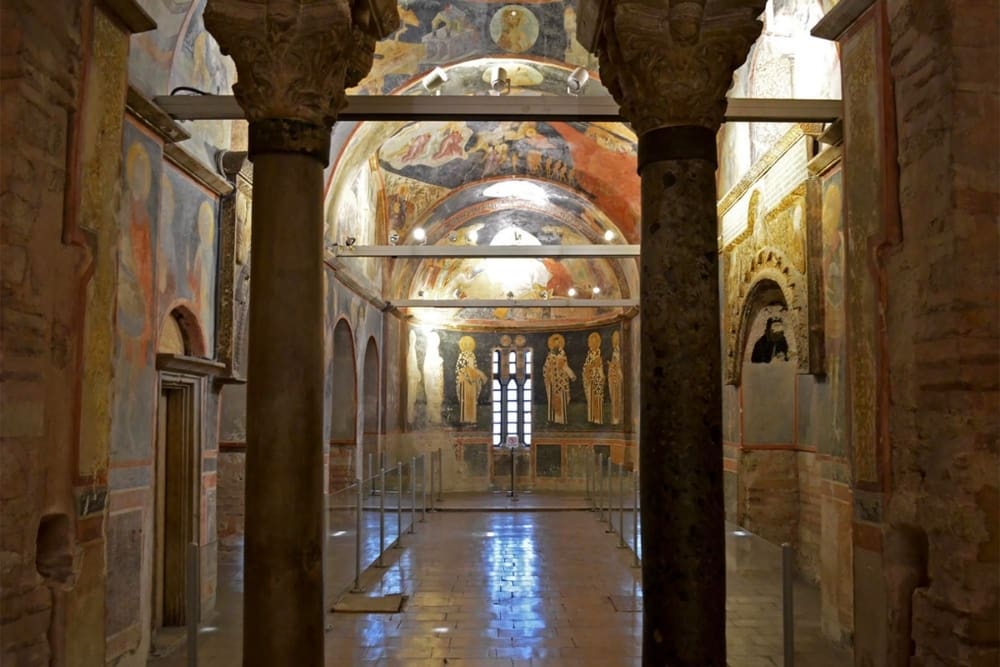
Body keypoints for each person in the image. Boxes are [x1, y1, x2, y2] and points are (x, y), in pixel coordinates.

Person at [543, 333, 575, 424]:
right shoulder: (550, 356)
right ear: (552, 344)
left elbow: (565, 366)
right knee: (553, 399)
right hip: (552, 382)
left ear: (560, 344)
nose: (556, 345)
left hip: (561, 382)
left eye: (558, 343)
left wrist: (571, 375)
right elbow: (545, 367)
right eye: (555, 343)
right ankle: (553, 419)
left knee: (562, 399)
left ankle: (562, 420)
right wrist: (547, 373)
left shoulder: (563, 354)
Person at [455, 335, 486, 423]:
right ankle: (465, 419)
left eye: (469, 344)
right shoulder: (462, 355)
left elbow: (474, 367)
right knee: (465, 400)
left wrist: (476, 374)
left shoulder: (472, 354)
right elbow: (459, 368)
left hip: (472, 380)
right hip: (465, 381)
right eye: (466, 344)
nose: (468, 345)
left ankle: (472, 419)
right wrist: (466, 373)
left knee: (472, 400)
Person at [583, 332, 605, 424]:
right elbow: (586, 367)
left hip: (597, 380)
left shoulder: (598, 354)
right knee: (590, 399)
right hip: (590, 380)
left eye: (595, 342)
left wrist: (592, 367)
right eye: (591, 342)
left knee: (597, 398)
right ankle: (591, 418)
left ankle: (597, 419)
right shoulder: (589, 355)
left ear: (598, 343)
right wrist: (587, 369)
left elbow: (599, 366)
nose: (593, 344)